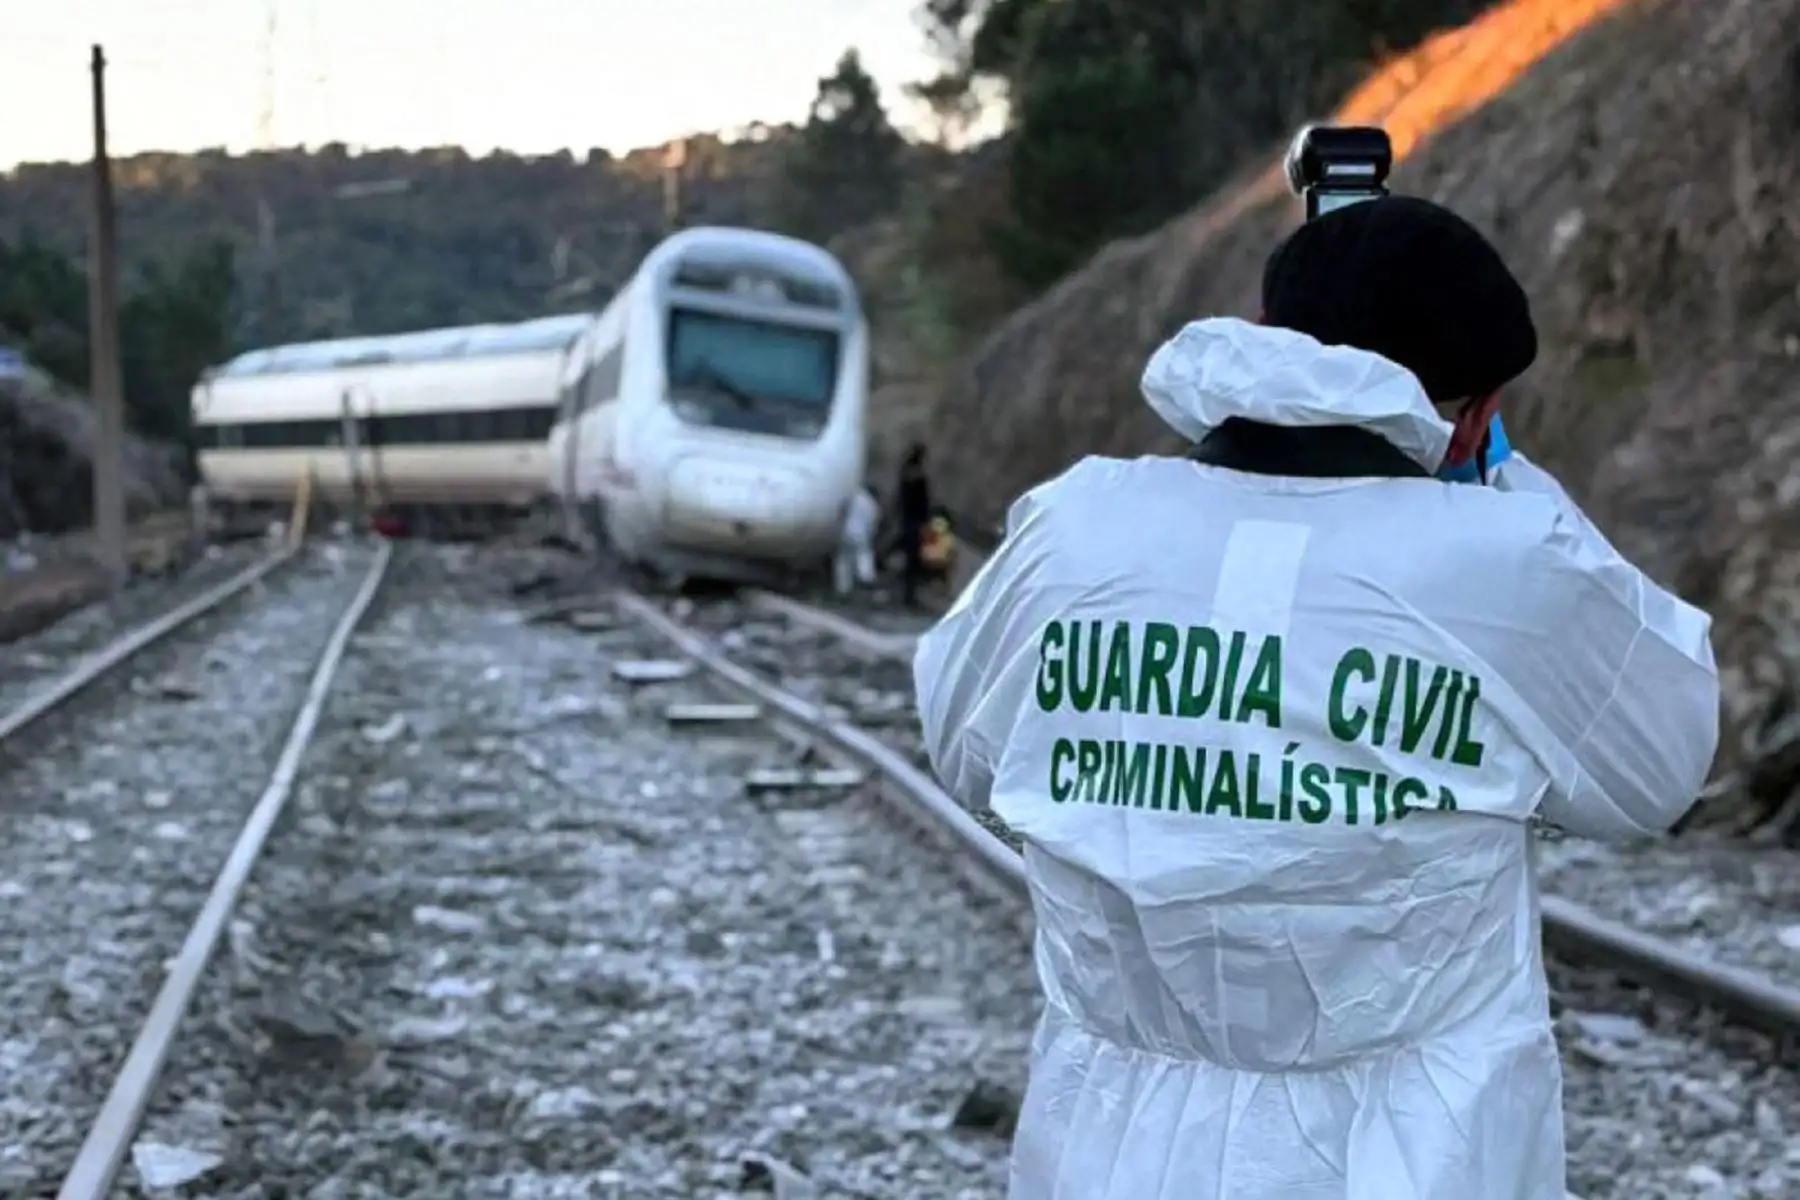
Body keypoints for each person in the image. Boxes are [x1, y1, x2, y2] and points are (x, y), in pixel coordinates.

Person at [912, 196, 1719, 1200]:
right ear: (1472, 413)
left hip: (1109, 1143)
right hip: (1415, 1157)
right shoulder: (1505, 565)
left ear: (1263, 339)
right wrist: (1508, 487)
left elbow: (964, 750)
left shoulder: (1072, 528)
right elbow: (1663, 764)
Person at [895, 442, 931, 607]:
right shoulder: (919, 478)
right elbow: (924, 504)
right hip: (916, 524)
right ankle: (910, 596)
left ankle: (906, 595)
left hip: (905, 522)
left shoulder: (905, 475)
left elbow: (899, 501)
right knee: (914, 562)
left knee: (909, 561)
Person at [833, 484, 880, 596]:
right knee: (863, 556)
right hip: (862, 535)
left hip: (847, 533)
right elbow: (873, 524)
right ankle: (865, 578)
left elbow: (842, 509)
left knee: (844, 560)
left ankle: (843, 588)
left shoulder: (854, 496)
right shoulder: (873, 505)